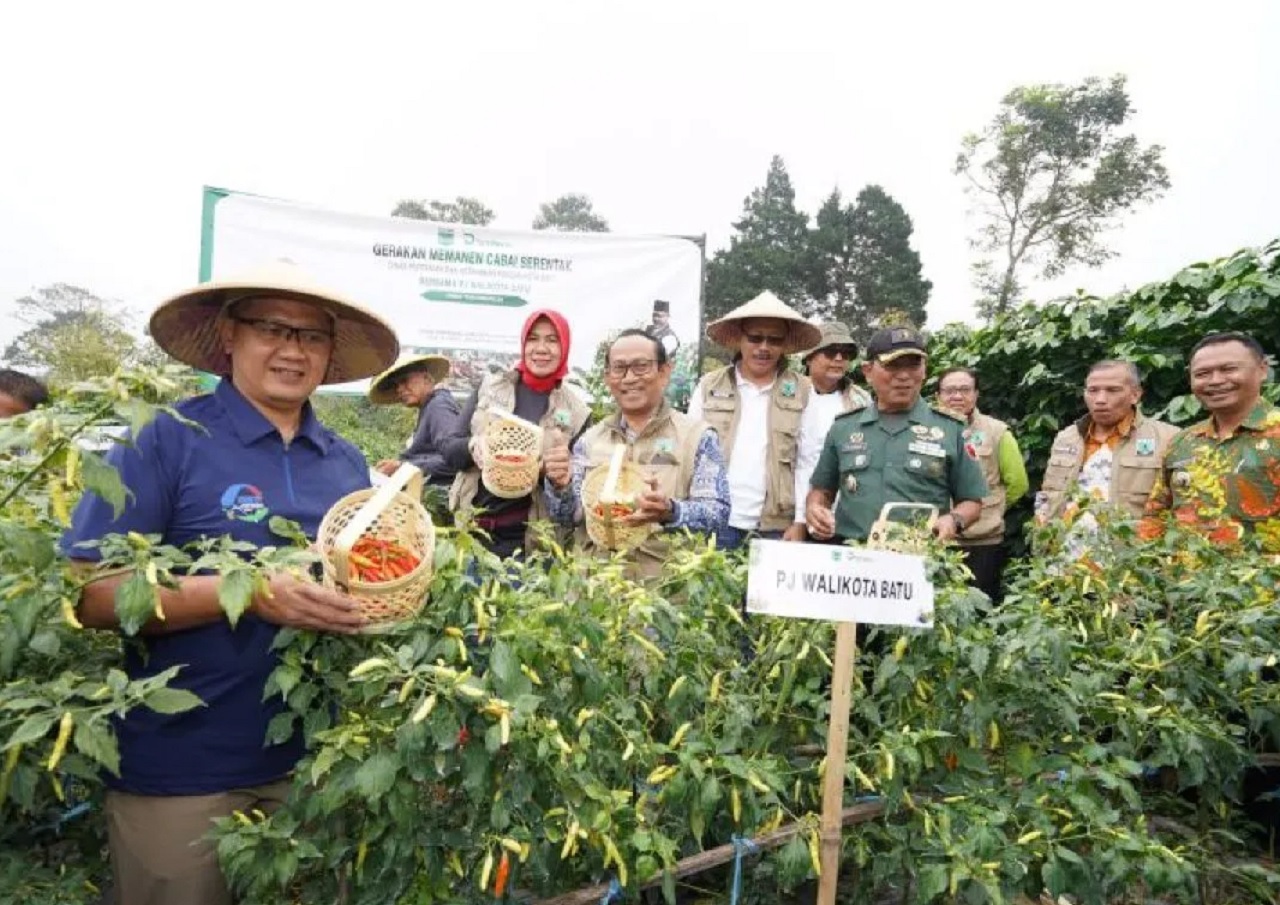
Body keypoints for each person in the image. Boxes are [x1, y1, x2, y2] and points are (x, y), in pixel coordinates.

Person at [59, 260, 399, 905]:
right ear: (228, 337)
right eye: (271, 327)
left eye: (311, 336)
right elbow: (91, 595)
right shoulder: (163, 439)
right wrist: (246, 592)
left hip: (316, 761)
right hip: (182, 765)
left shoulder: (345, 460)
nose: (291, 350)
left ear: (328, 355)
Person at [544, 329, 729, 577]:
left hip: (663, 592)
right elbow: (569, 517)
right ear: (608, 377)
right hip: (595, 591)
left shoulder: (697, 437)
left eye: (641, 366)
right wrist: (560, 486)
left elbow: (717, 515)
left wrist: (671, 511)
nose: (629, 378)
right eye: (619, 368)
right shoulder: (589, 440)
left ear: (664, 372)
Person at [805, 327, 988, 545]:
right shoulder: (844, 428)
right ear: (868, 371)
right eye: (892, 365)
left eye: (913, 365)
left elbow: (972, 502)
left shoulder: (951, 429)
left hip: (920, 557)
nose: (904, 376)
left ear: (925, 370)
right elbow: (821, 491)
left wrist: (954, 520)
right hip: (852, 559)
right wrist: (815, 509)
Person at [441, 309, 591, 560]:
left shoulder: (577, 413)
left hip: (529, 547)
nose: (541, 348)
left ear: (565, 347)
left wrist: (556, 477)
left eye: (552, 340)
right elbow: (449, 449)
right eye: (533, 338)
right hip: (470, 535)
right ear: (523, 344)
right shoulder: (490, 388)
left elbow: (573, 502)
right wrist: (473, 446)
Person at [688, 290, 821, 549]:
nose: (764, 347)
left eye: (774, 340)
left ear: (784, 345)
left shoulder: (803, 391)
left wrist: (800, 521)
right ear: (740, 339)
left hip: (776, 526)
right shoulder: (709, 386)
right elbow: (689, 452)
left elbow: (809, 458)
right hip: (715, 519)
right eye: (755, 338)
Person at [1140, 332, 1280, 549]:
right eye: (1203, 373)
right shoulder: (1182, 442)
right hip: (1188, 580)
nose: (1215, 381)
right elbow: (1156, 515)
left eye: (1229, 369)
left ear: (1262, 370)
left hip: (1261, 580)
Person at [1036, 360, 1178, 527]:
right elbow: (1047, 495)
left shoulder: (1168, 438)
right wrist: (1042, 541)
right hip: (1068, 550)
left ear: (1135, 395)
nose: (1100, 399)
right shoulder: (1067, 438)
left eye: (1112, 390)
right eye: (1093, 390)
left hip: (1134, 550)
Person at [935, 367, 1029, 600]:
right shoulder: (923, 430)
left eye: (965, 390)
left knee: (979, 609)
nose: (957, 396)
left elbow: (1017, 483)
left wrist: (990, 509)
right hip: (934, 537)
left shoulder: (996, 432)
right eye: (950, 391)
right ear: (938, 396)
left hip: (982, 540)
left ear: (976, 394)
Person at [791, 322, 872, 541]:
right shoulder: (787, 396)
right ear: (809, 357)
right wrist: (798, 517)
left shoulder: (862, 400)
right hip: (790, 512)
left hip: (845, 514)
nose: (838, 359)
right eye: (830, 352)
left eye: (845, 354)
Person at [367, 354, 460, 489]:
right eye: (396, 385)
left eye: (404, 381)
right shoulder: (429, 408)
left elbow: (454, 460)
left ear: (427, 379)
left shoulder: (438, 407)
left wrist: (403, 467)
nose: (399, 389)